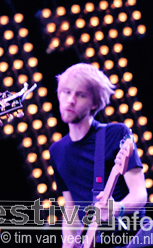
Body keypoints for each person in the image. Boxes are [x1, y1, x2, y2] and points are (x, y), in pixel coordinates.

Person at [49, 63, 147, 248]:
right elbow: (71, 212)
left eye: (81, 95)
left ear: (94, 103)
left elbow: (140, 194)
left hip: (129, 239)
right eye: (66, 92)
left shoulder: (115, 133)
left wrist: (117, 208)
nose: (70, 100)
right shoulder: (57, 151)